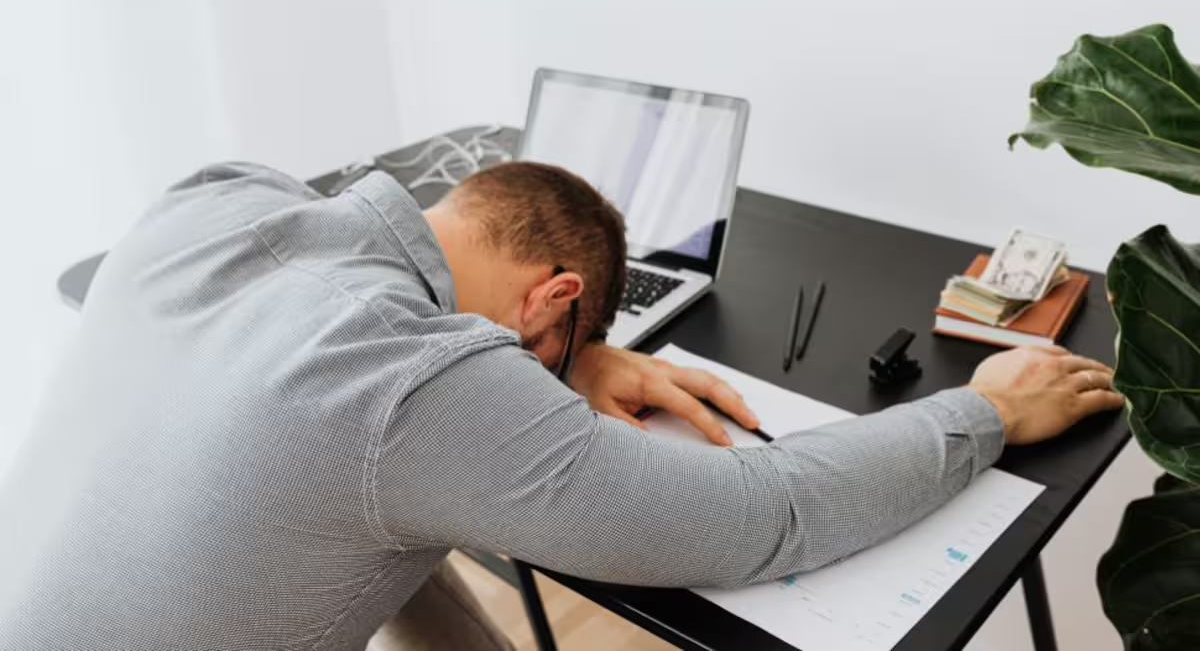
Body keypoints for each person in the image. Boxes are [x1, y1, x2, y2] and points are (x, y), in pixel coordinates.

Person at [0, 161, 1123, 651]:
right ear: (559, 297)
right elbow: (760, 514)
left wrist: (562, 358)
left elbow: (342, 447)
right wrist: (983, 410)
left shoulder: (213, 201)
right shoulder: (408, 385)